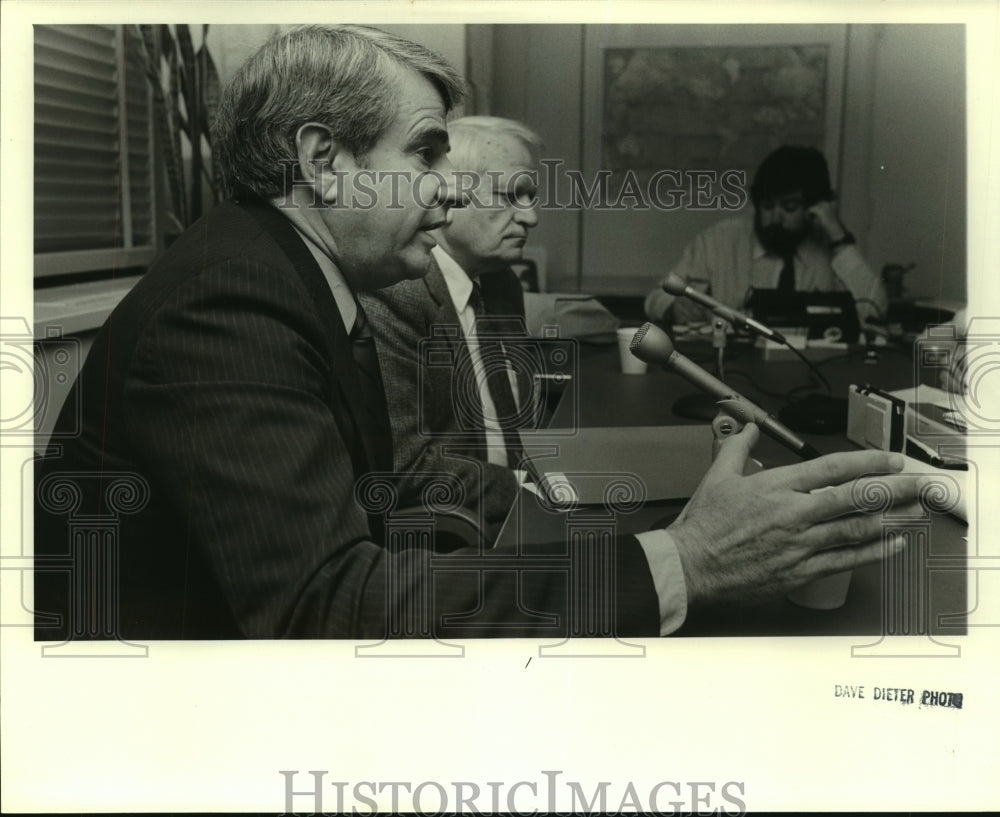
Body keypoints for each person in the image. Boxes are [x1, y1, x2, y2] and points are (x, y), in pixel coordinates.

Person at [34, 27, 924, 641]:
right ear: (321, 161)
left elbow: (402, 477)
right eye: (425, 154)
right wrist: (681, 560)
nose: (452, 189)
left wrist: (629, 551)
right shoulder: (228, 307)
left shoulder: (285, 271)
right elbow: (327, 605)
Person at [360, 116, 542, 542]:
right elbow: (405, 469)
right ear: (449, 196)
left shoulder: (500, 283)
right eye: (511, 196)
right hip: (453, 539)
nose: (531, 217)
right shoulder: (395, 296)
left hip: (517, 509)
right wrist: (532, 492)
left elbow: (516, 428)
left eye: (531, 196)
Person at [644, 145, 888, 327]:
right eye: (767, 206)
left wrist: (838, 236)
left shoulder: (828, 245)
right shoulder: (718, 240)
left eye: (789, 207)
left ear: (813, 207)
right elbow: (655, 299)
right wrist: (674, 309)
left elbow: (874, 310)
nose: (775, 218)